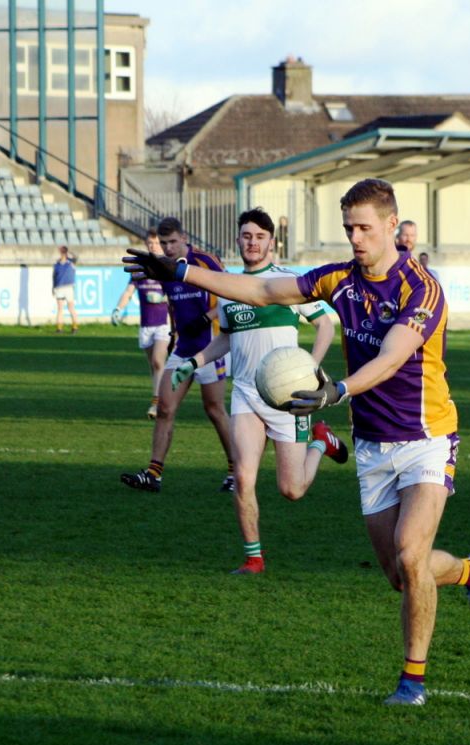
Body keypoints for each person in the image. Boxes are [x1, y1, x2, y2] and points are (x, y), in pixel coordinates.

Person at [124, 179, 470, 706]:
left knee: (411, 553)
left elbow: (392, 357)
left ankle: (412, 682)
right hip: (370, 444)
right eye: (349, 228)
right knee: (398, 574)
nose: (356, 238)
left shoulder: (422, 289)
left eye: (365, 227)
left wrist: (336, 391)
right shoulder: (341, 279)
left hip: (426, 437)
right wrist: (179, 270)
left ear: (393, 225)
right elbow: (262, 291)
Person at [171, 208, 342, 574]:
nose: (252, 242)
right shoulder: (230, 290)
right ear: (239, 240)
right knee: (244, 476)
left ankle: (320, 441)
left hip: (289, 398)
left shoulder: (287, 283)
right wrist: (193, 362)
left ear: (271, 242)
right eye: (247, 236)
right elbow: (226, 340)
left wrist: (311, 368)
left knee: (291, 490)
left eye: (260, 237)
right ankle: (253, 558)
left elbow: (325, 326)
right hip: (247, 393)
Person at [120, 216, 236, 494]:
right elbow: (174, 304)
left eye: (173, 241)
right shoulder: (162, 267)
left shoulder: (205, 260)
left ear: (185, 238)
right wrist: (174, 334)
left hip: (211, 347)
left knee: (214, 409)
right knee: (165, 408)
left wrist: (208, 318)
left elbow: (231, 293)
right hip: (183, 348)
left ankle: (236, 470)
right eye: (164, 243)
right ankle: (153, 473)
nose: (169, 248)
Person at [112, 229, 172, 419]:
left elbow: (175, 295)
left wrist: (162, 297)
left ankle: (156, 403)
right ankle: (160, 393)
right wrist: (118, 309)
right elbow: (129, 291)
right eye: (150, 243)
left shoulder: (166, 267)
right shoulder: (140, 268)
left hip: (164, 323)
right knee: (153, 365)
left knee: (157, 361)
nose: (152, 246)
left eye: (155, 243)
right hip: (146, 325)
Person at [52, 245, 79, 333]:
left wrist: (70, 252)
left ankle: (75, 326)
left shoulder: (70, 262)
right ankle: (59, 327)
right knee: (60, 308)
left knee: (71, 307)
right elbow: (54, 276)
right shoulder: (57, 264)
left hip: (68, 287)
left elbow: (76, 258)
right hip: (59, 287)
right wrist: (53, 287)